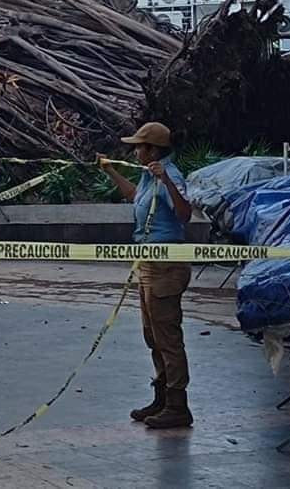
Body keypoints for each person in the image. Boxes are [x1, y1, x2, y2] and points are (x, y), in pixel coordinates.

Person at [100, 121, 194, 429]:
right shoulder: (146, 175)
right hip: (148, 262)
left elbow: (184, 214)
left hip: (166, 265)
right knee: (152, 334)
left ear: (153, 150)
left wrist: (166, 180)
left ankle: (178, 405)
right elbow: (135, 197)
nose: (135, 151)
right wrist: (111, 172)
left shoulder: (170, 175)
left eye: (139, 147)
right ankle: (162, 397)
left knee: (167, 336)